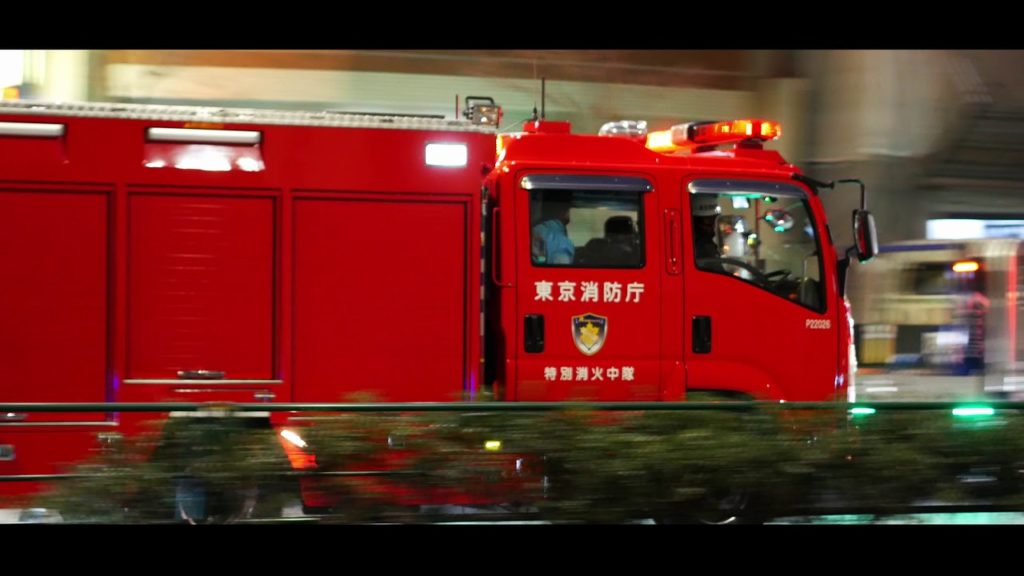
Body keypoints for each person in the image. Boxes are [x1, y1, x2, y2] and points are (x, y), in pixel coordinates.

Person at [532, 192, 575, 265]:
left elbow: (540, 260)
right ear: (564, 212)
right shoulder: (562, 243)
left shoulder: (534, 231)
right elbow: (561, 273)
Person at [692, 195, 722, 261]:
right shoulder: (695, 246)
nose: (713, 226)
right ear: (695, 221)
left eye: (716, 220)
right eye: (708, 221)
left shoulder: (716, 240)